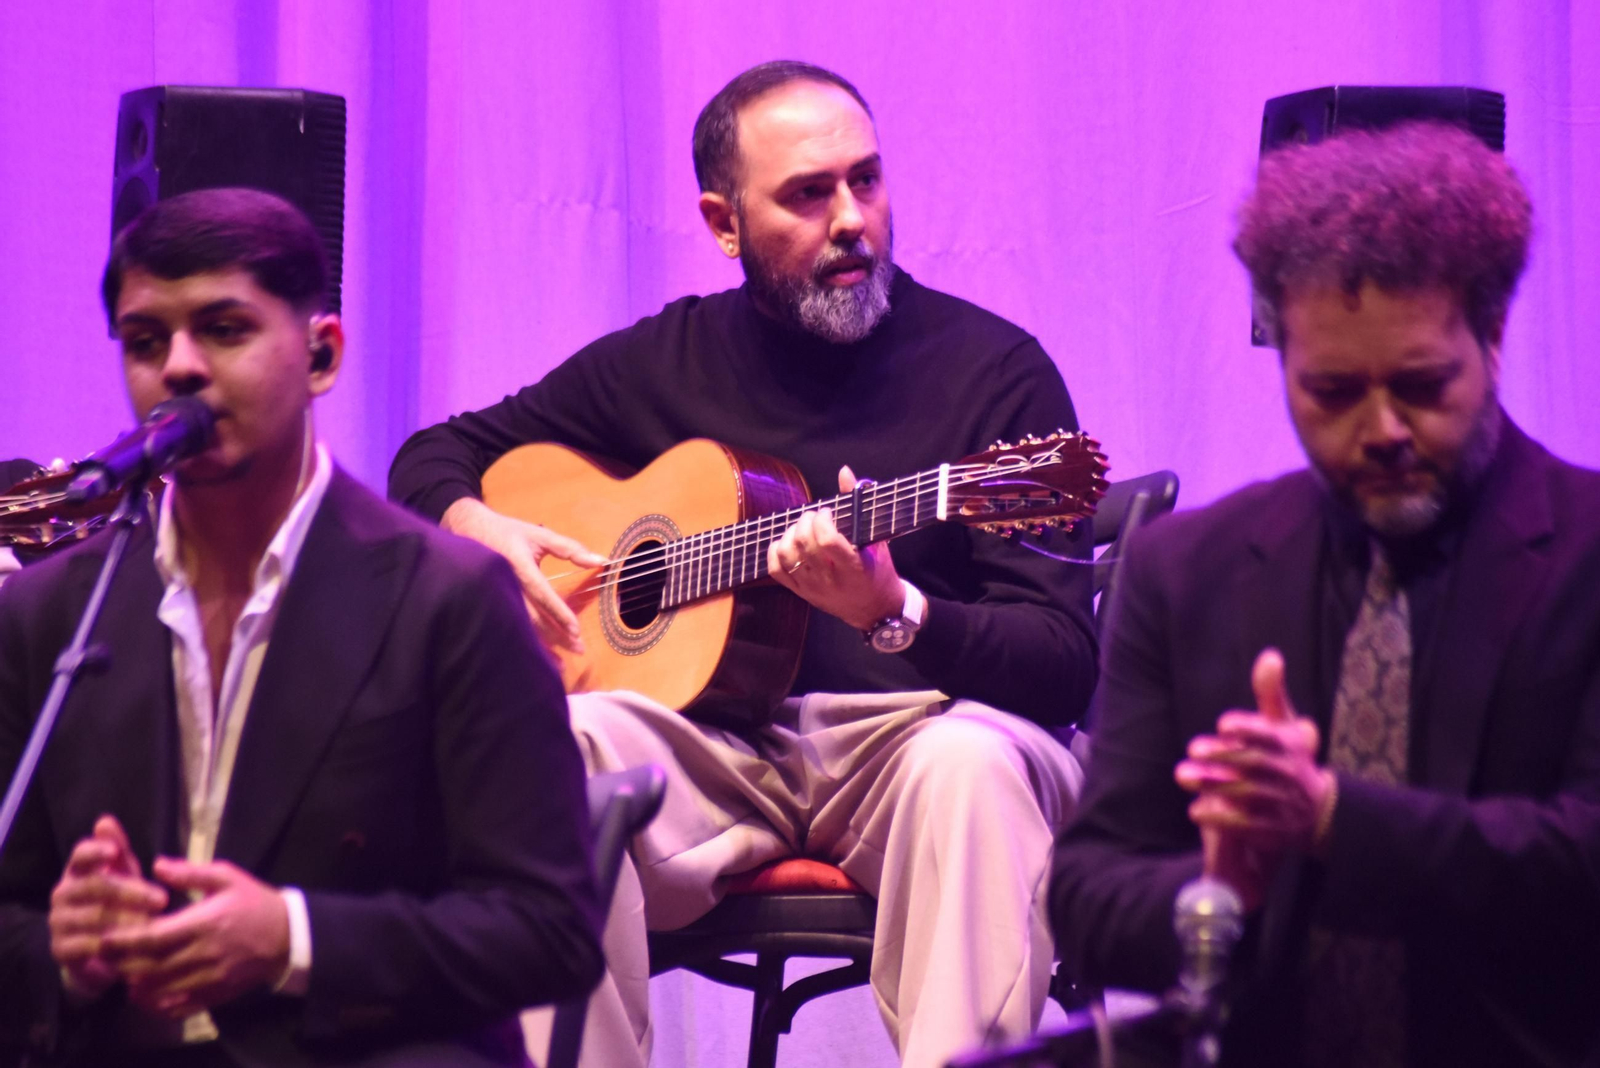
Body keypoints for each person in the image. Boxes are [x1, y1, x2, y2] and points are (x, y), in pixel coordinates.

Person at [389, 61, 1096, 1068]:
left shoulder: (995, 374)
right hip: (720, 754)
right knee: (559, 743)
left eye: (865, 180)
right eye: (807, 194)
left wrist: (894, 610)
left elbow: (1065, 662)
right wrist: (477, 524)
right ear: (724, 223)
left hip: (920, 745)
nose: (850, 220)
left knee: (974, 768)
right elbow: (436, 453)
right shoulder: (664, 361)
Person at [0, 188, 603, 1067]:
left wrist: (292, 939)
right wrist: (62, 953)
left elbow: (549, 932)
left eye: (224, 330)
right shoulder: (43, 616)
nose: (179, 368)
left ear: (321, 355)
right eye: (145, 341)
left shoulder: (451, 600)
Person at [1051, 122, 1600, 1068]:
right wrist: (1220, 898)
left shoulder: (1588, 554)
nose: (1382, 429)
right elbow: (1087, 898)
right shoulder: (1184, 571)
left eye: (1421, 385)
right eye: (1334, 392)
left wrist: (1334, 823)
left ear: (1496, 337)